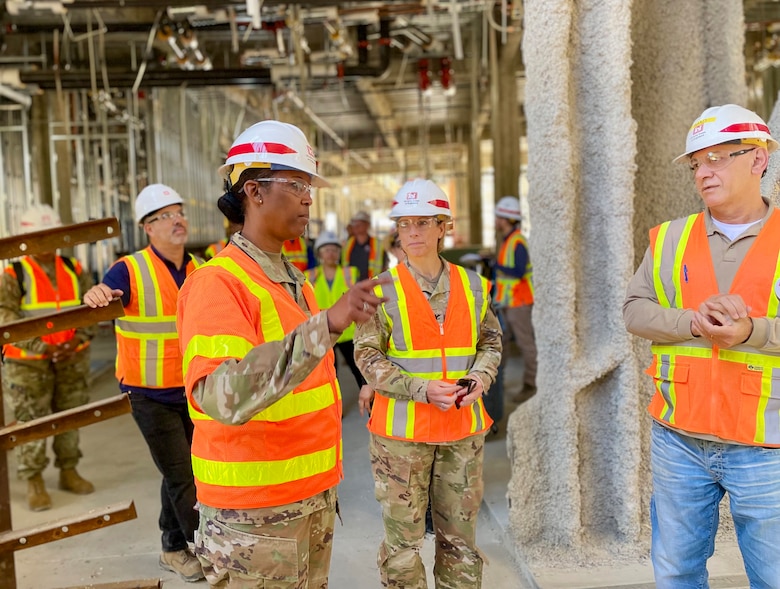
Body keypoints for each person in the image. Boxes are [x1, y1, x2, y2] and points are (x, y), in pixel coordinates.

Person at [175, 119, 388, 588]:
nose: (308, 198)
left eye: (308, 186)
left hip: (308, 499)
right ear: (253, 191)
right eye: (296, 184)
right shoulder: (218, 283)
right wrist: (326, 326)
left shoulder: (297, 283)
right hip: (252, 518)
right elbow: (220, 395)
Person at [623, 103, 780, 588]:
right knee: (675, 572)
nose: (704, 172)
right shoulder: (670, 238)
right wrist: (693, 322)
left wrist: (750, 331)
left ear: (758, 159)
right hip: (679, 438)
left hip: (766, 443)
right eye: (697, 162)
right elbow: (634, 310)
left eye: (718, 157)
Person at [354, 178, 502, 588]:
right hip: (401, 439)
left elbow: (491, 341)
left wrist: (480, 375)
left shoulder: (473, 286)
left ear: (443, 227)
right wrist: (420, 389)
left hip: (461, 433)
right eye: (405, 224)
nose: (413, 232)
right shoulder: (381, 290)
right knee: (403, 545)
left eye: (423, 222)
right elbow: (366, 356)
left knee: (460, 542)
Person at [82, 184, 204, 583]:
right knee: (184, 475)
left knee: (184, 470)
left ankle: (171, 547)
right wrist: (97, 293)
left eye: (179, 212)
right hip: (148, 394)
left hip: (191, 390)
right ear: (147, 228)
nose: (176, 220)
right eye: (165, 216)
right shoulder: (129, 269)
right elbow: (101, 293)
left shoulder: (200, 269)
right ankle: (207, 549)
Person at [0, 204, 96, 512]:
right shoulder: (13, 274)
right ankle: (34, 481)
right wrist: (43, 347)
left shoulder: (74, 269)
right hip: (27, 365)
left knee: (69, 417)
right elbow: (5, 316)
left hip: (71, 359)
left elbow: (93, 307)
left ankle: (69, 470)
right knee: (30, 423)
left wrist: (78, 339)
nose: (46, 242)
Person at [306, 231, 367, 391]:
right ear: (319, 253)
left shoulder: (350, 273)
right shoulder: (309, 277)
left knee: (361, 373)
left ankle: (372, 409)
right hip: (324, 330)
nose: (331, 254)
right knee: (329, 375)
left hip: (349, 331)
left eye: (334, 250)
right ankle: (336, 413)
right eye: (327, 250)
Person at [494, 195, 537, 402]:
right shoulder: (509, 240)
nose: (496, 221)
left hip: (519, 303)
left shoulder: (517, 241)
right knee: (501, 343)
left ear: (506, 219)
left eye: (498, 217)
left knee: (526, 344)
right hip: (508, 302)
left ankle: (531, 385)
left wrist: (496, 265)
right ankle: (497, 385)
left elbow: (519, 272)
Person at [342, 210, 387, 280]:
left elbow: (384, 267)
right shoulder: (347, 245)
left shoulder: (377, 244)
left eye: (359, 223)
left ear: (367, 225)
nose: (356, 226)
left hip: (372, 286)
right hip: (351, 287)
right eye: (354, 223)